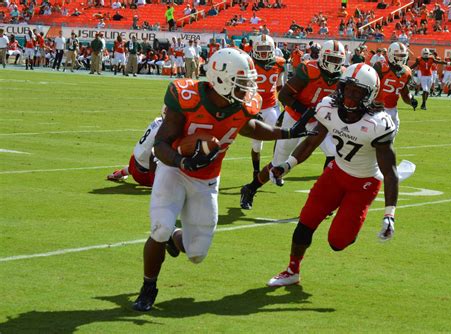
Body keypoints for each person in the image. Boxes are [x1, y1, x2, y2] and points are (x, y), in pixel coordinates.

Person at [132, 47, 315, 312]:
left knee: (196, 253)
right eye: (241, 85)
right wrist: (182, 160)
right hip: (174, 170)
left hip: (206, 180)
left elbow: (248, 125)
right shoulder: (186, 96)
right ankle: (149, 287)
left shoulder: (241, 105)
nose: (248, 91)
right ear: (220, 79)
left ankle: (175, 237)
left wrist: (287, 133)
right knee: (159, 228)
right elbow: (161, 144)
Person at [267, 63, 399, 287]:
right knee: (306, 221)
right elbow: (311, 142)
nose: (350, 96)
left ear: (369, 95)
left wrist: (389, 215)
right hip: (335, 173)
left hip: (364, 183)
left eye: (358, 92)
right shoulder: (328, 108)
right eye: (348, 89)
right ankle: (292, 270)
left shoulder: (378, 124)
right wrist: (287, 165)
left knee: (337, 242)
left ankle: (351, 221)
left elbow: (390, 172)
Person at [240, 40, 345, 210]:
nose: (334, 64)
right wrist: (305, 111)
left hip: (319, 121)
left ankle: (324, 200)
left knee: (334, 153)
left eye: (337, 60)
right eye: (330, 59)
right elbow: (284, 96)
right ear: (322, 57)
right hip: (295, 117)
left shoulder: (343, 76)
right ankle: (250, 188)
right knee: (277, 164)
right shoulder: (308, 70)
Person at [247, 34, 286, 179]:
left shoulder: (279, 63)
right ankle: (256, 171)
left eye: (266, 48)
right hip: (255, 107)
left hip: (271, 106)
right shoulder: (249, 63)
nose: (263, 52)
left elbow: (280, 85)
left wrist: (286, 103)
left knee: (280, 137)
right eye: (261, 48)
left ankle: (277, 168)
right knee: (257, 145)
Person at [373, 42, 417, 132]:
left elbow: (404, 93)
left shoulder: (407, 72)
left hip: (393, 110)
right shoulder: (380, 67)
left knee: (390, 139)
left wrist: (411, 100)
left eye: (403, 55)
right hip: (377, 109)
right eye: (398, 55)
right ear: (390, 54)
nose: (401, 58)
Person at [107, 116, 164, 186]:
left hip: (133, 161)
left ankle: (117, 174)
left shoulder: (157, 120)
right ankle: (118, 174)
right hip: (144, 176)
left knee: (134, 166)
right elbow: (153, 157)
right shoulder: (164, 130)